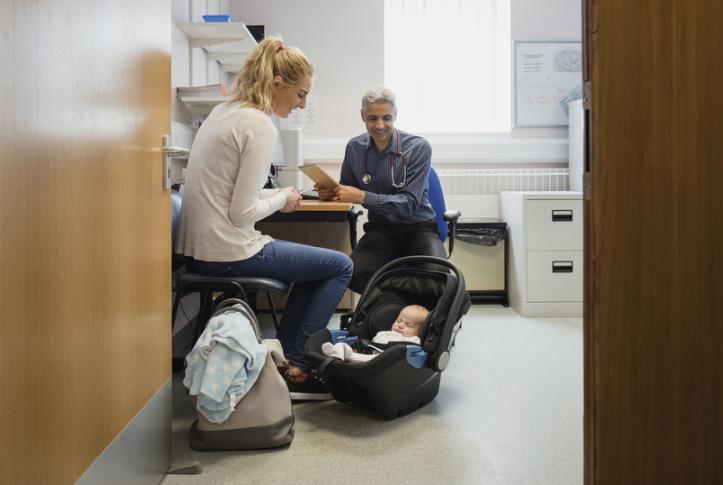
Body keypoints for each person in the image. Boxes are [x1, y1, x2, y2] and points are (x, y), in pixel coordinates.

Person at [176, 37, 353, 400]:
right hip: (228, 251)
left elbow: (235, 196)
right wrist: (280, 200)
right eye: (300, 94)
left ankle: (288, 363)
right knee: (339, 266)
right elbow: (241, 214)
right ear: (277, 85)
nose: (302, 104)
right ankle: (298, 365)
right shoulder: (259, 125)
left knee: (315, 268)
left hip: (204, 249)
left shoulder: (225, 112)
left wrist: (277, 198)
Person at [316, 85, 446, 293]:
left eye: (386, 117)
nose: (380, 125)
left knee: (439, 280)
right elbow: (348, 189)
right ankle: (398, 300)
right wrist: (333, 194)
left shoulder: (418, 147)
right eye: (372, 118)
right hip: (381, 230)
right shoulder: (354, 148)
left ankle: (397, 301)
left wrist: (364, 196)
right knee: (353, 275)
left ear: (395, 115)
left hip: (419, 228)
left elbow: (410, 204)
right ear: (362, 116)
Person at [321, 304, 429, 364]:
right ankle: (337, 352)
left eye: (408, 325)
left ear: (420, 332)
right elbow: (374, 341)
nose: (400, 325)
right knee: (349, 344)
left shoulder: (415, 341)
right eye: (399, 320)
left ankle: (348, 356)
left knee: (372, 359)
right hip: (369, 349)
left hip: (386, 360)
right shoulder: (386, 333)